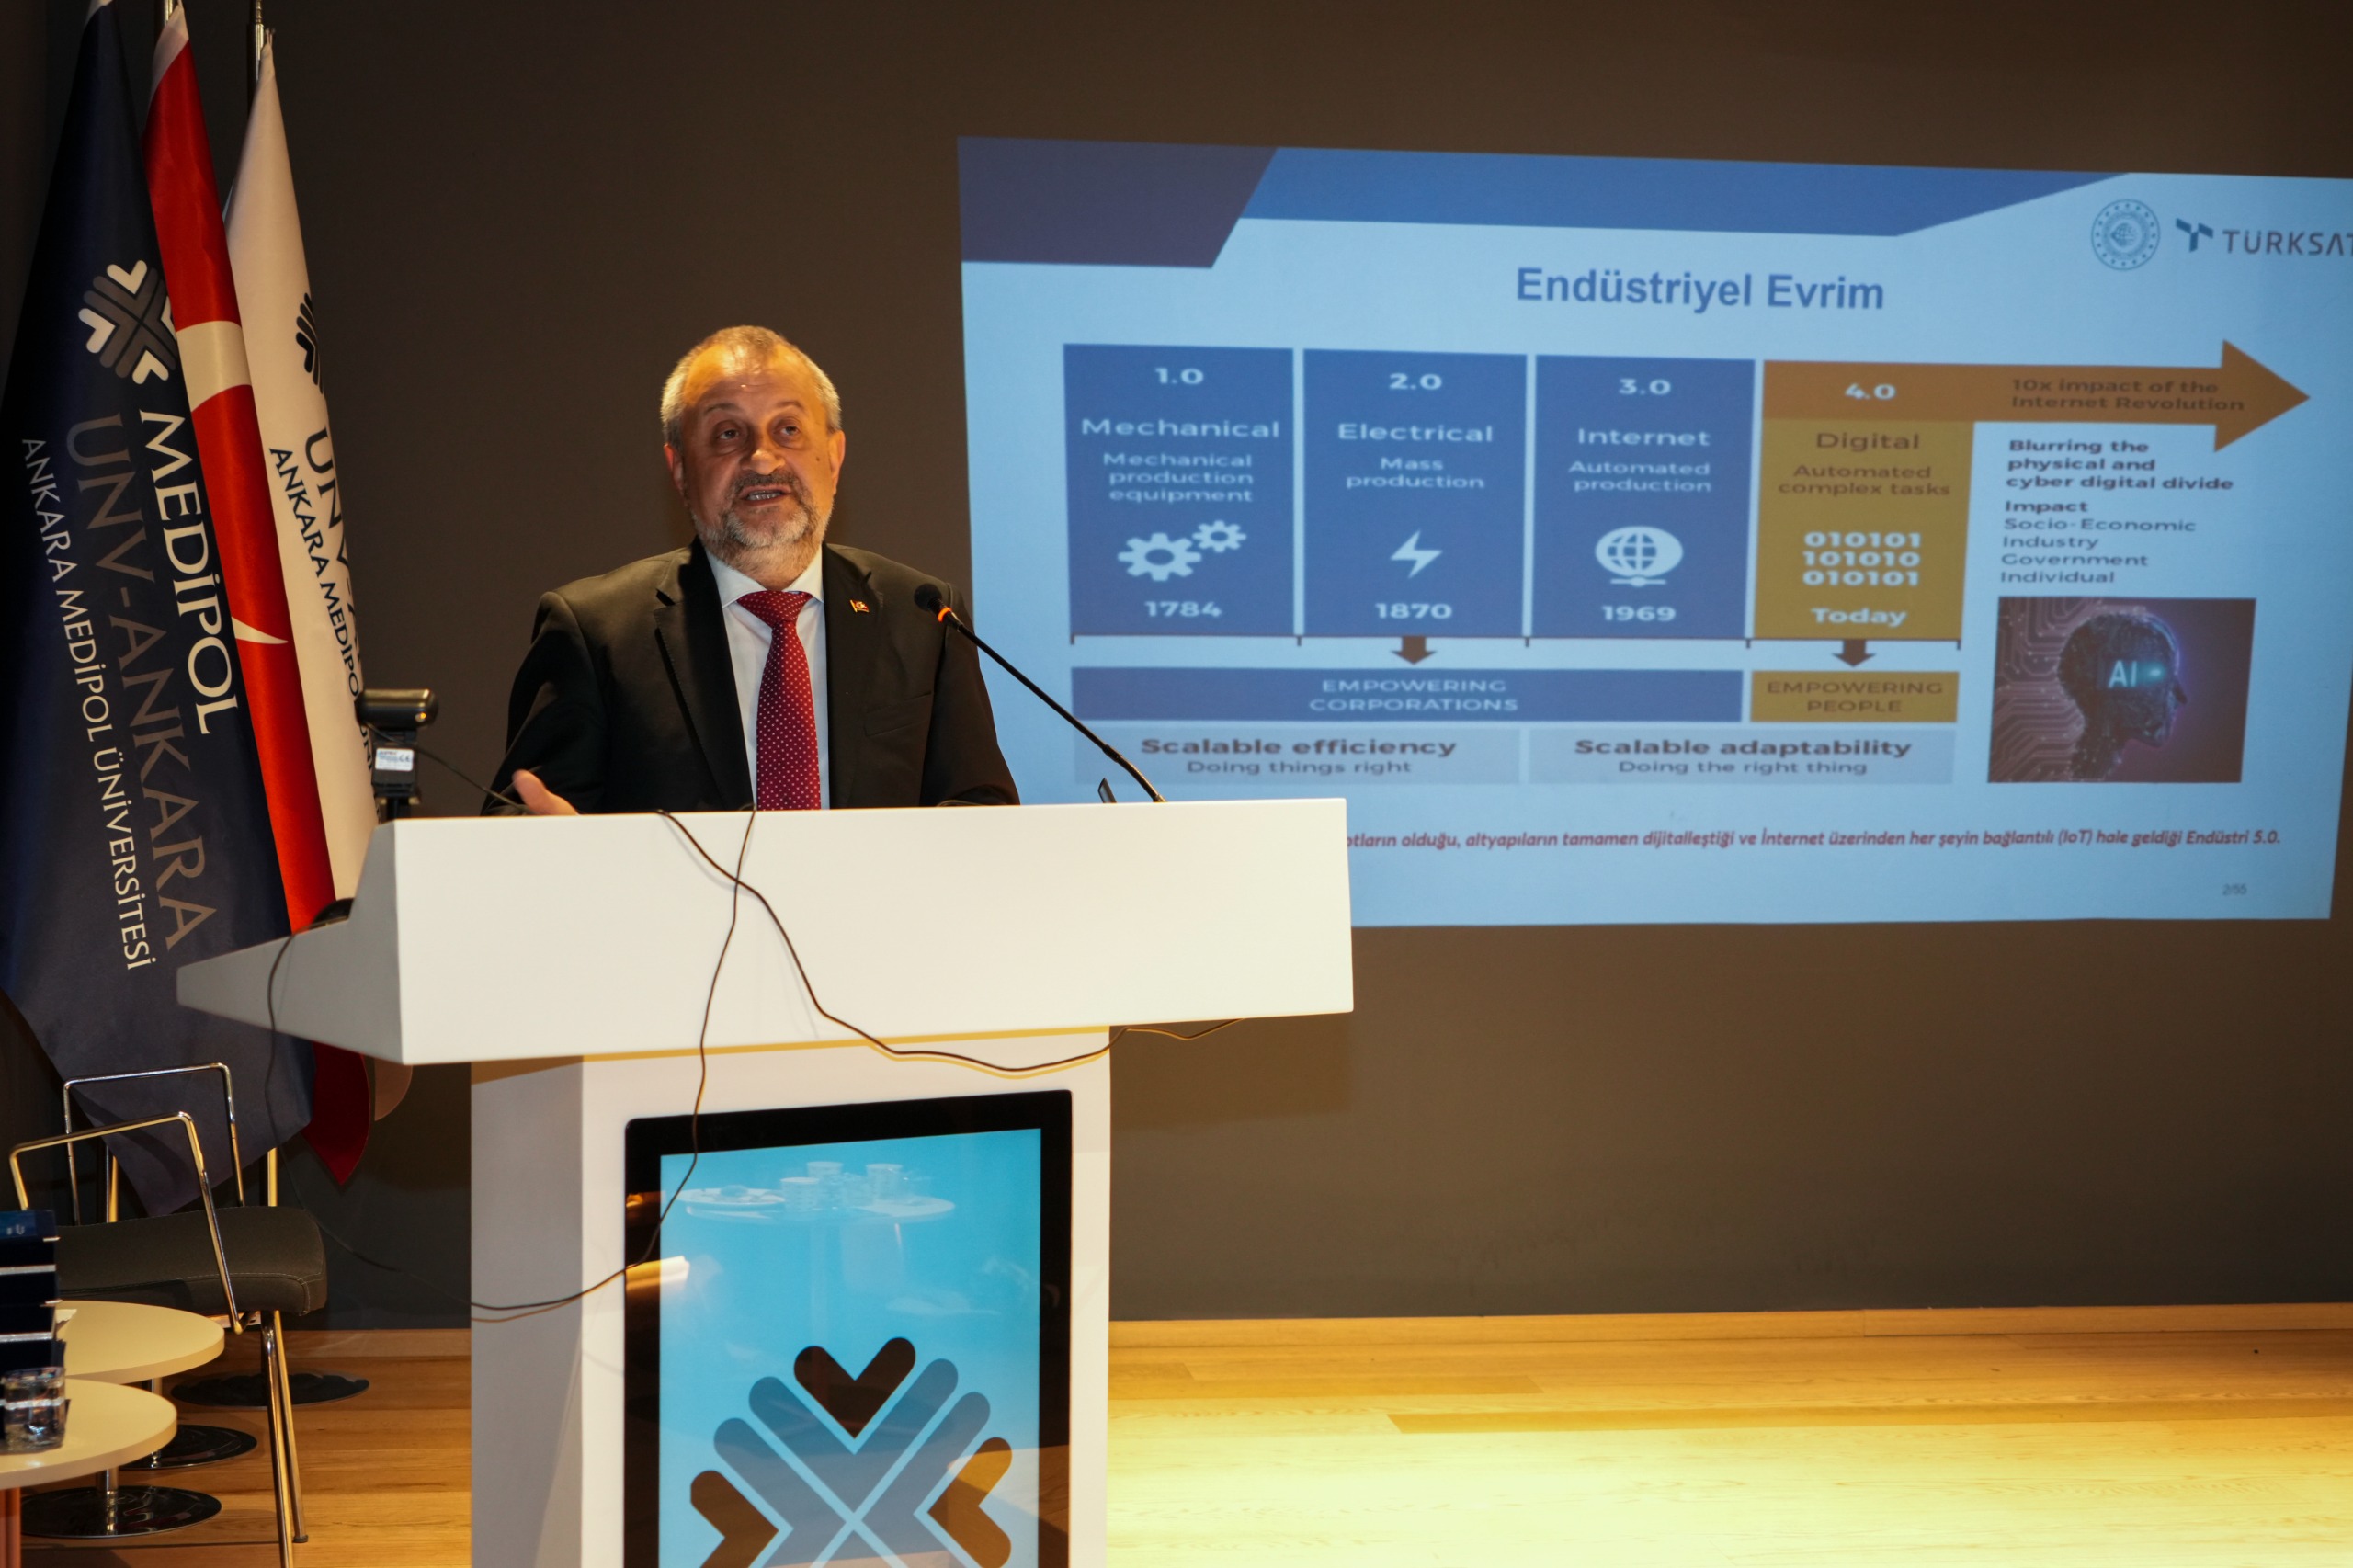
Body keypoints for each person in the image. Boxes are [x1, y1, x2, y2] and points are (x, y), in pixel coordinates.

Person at [489, 325, 1017, 814]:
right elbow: (517, 823)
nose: (762, 458)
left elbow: (981, 811)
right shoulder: (595, 630)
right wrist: (561, 850)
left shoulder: (921, 614)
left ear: (834, 457)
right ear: (680, 469)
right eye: (727, 434)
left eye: (788, 429)